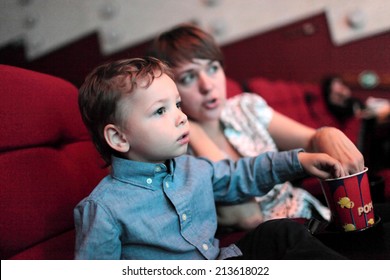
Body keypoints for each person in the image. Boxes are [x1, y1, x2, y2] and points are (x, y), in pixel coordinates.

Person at [74, 57, 347, 260]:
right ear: (120, 138)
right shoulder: (103, 209)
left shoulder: (193, 168)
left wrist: (298, 162)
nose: (181, 117)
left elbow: (242, 174)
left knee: (279, 233)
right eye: (160, 111)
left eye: (177, 105)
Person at [148, 24, 364, 230]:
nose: (207, 85)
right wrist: (194, 131)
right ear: (170, 90)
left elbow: (311, 140)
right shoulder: (175, 152)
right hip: (277, 245)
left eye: (212, 68)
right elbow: (247, 215)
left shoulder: (245, 107)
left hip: (317, 215)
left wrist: (328, 134)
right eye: (188, 78)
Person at [322, 75, 390, 124]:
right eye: (337, 84)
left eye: (341, 84)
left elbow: (364, 108)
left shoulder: (353, 101)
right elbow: (345, 117)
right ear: (330, 88)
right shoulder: (331, 106)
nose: (342, 87)